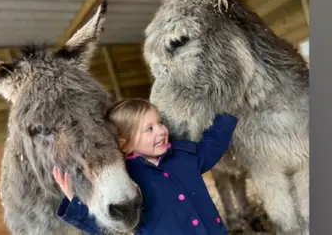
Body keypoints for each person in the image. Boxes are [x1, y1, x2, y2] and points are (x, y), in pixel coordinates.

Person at [53, 98, 238, 235]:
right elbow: (107, 229)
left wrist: (227, 116)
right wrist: (73, 201)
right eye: (149, 129)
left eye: (160, 123)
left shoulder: (182, 157)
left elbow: (211, 149)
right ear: (125, 145)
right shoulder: (128, 181)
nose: (161, 131)